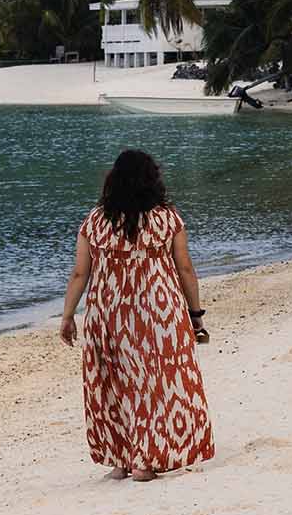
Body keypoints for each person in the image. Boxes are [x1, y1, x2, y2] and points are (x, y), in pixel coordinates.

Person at [59, 148, 214, 481]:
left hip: (108, 313)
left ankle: (122, 459)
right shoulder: (167, 217)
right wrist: (196, 315)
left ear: (112, 179)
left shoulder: (95, 220)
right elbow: (184, 268)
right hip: (159, 312)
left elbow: (79, 274)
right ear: (152, 178)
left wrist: (68, 316)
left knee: (113, 381)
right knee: (156, 382)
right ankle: (146, 460)